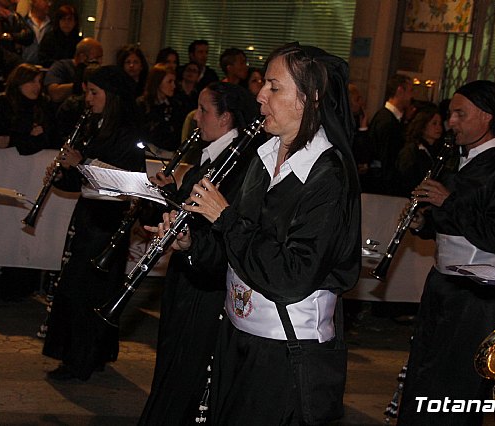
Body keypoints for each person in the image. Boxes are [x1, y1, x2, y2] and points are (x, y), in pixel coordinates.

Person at [149, 42, 361, 424]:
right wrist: (192, 244)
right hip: (237, 335)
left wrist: (224, 217)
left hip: (288, 352)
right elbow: (236, 250)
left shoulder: (329, 175)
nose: (260, 96)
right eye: (263, 84)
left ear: (310, 98)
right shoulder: (263, 156)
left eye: (274, 87)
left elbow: (292, 275)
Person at [397, 80, 495, 426]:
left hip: (476, 294)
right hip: (446, 283)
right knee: (427, 369)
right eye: (450, 113)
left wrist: (447, 202)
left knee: (456, 382)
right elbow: (451, 224)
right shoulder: (462, 161)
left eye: (460, 114)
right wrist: (423, 220)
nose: (450, 121)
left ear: (486, 117)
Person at [138, 81, 261, 425]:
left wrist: (191, 239)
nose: (197, 118)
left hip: (206, 281)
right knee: (173, 359)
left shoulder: (235, 162)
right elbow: (191, 211)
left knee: (190, 367)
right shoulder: (210, 156)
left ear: (226, 119)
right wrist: (170, 195)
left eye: (205, 111)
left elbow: (222, 222)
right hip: (189, 271)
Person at [42, 65, 146, 381]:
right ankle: (89, 354)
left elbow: (123, 181)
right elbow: (83, 182)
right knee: (82, 289)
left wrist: (82, 162)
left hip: (108, 222)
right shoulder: (96, 127)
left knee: (89, 291)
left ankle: (81, 360)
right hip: (90, 217)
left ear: (111, 97)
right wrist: (63, 175)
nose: (88, 99)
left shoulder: (127, 133)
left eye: (94, 93)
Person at [0, 63, 57, 155]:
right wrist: (27, 137)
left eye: (39, 81)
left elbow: (52, 138)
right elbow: (0, 140)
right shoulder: (1, 104)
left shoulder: (44, 104)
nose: (37, 86)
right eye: (32, 81)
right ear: (19, 82)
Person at [366, 73, 413, 195]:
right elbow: (387, 160)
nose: (411, 96)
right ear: (399, 91)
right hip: (382, 188)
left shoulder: (392, 119)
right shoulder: (386, 121)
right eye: (410, 90)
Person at [136, 64, 185, 155]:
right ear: (157, 82)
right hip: (148, 151)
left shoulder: (175, 105)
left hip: (170, 152)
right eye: (169, 82)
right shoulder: (142, 104)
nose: (173, 86)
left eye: (174, 81)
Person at [395, 105, 444, 195]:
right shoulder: (412, 151)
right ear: (423, 126)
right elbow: (406, 181)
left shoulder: (438, 151)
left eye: (440, 124)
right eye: (434, 123)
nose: (439, 128)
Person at [44, 37, 103, 105]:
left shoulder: (96, 71)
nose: (100, 61)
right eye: (97, 57)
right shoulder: (61, 67)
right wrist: (76, 86)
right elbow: (55, 94)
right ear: (82, 57)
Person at [37, 4, 82, 68]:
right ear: (58, 21)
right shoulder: (49, 38)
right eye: (63, 19)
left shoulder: (79, 41)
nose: (66, 23)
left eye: (69, 20)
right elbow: (43, 59)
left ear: (75, 22)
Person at [21, 0, 51, 64]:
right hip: (25, 67)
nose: (49, 4)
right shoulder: (22, 23)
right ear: (34, 2)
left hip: (45, 68)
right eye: (46, 1)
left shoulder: (52, 25)